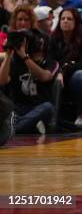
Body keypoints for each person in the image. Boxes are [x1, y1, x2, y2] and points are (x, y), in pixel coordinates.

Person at [0, 7, 58, 135]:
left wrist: (24, 56)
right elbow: (2, 81)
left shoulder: (49, 61)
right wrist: (9, 53)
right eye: (19, 19)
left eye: (26, 20)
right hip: (17, 108)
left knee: (48, 108)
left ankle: (13, 129)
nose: (22, 23)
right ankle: (25, 125)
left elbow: (44, 76)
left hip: (38, 106)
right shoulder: (14, 60)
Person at [48, 8, 82, 129]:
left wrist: (63, 69)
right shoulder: (53, 39)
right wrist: (60, 71)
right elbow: (50, 61)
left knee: (79, 75)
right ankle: (52, 119)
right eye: (63, 18)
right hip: (63, 75)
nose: (65, 21)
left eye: (69, 19)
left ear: (76, 22)